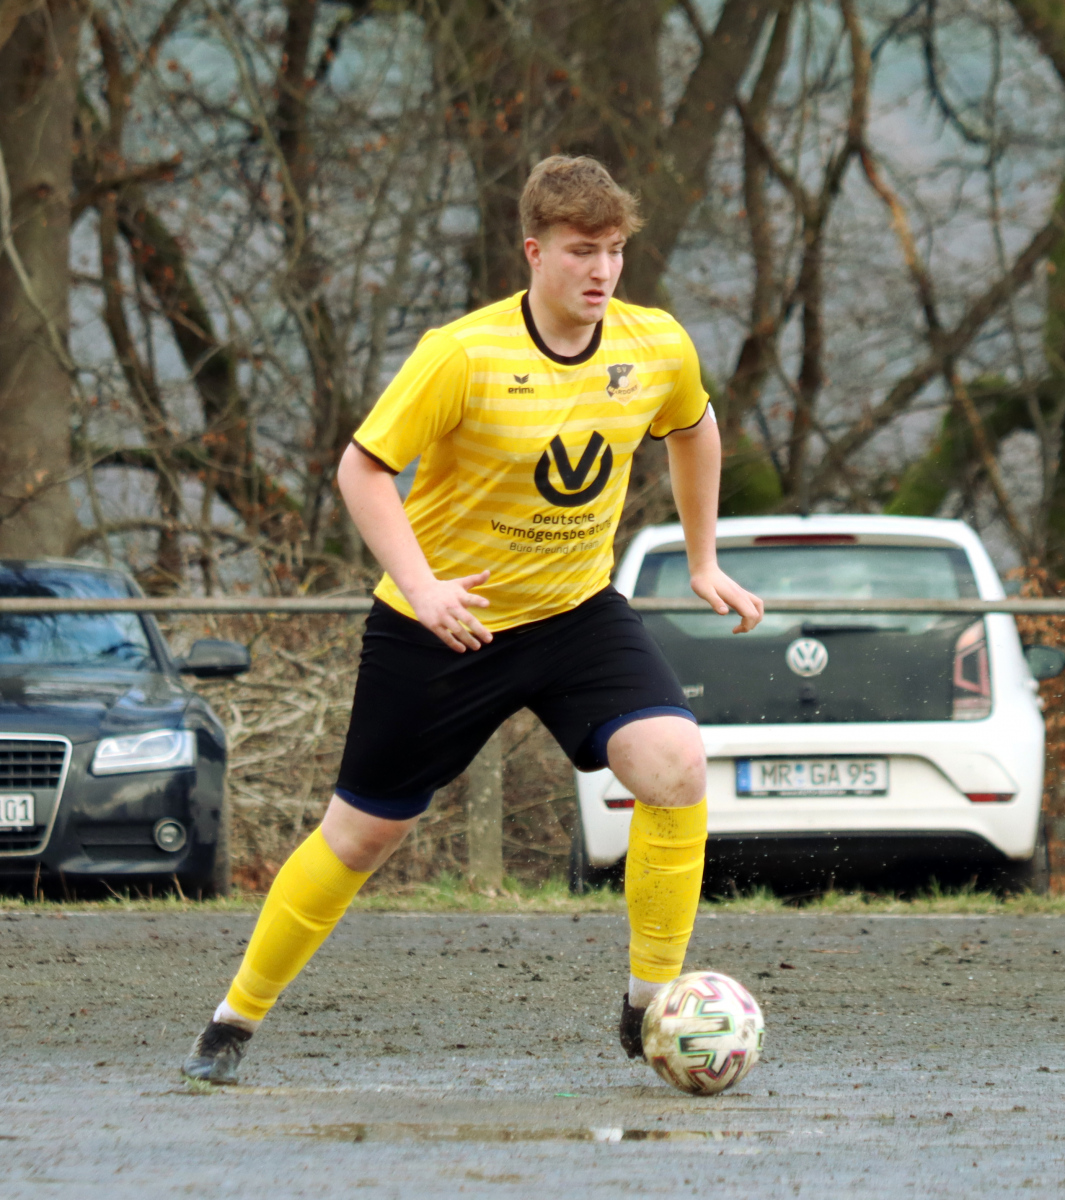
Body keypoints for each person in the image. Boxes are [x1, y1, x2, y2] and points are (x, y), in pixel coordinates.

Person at [182, 154, 763, 1084]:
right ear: (533, 251)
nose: (601, 271)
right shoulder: (462, 354)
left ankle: (651, 1000)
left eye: (614, 249)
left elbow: (692, 427)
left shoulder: (654, 344)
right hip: (443, 625)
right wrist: (421, 587)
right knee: (362, 836)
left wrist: (703, 560)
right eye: (580, 251)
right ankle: (232, 1020)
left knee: (675, 766)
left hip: (574, 613)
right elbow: (361, 469)